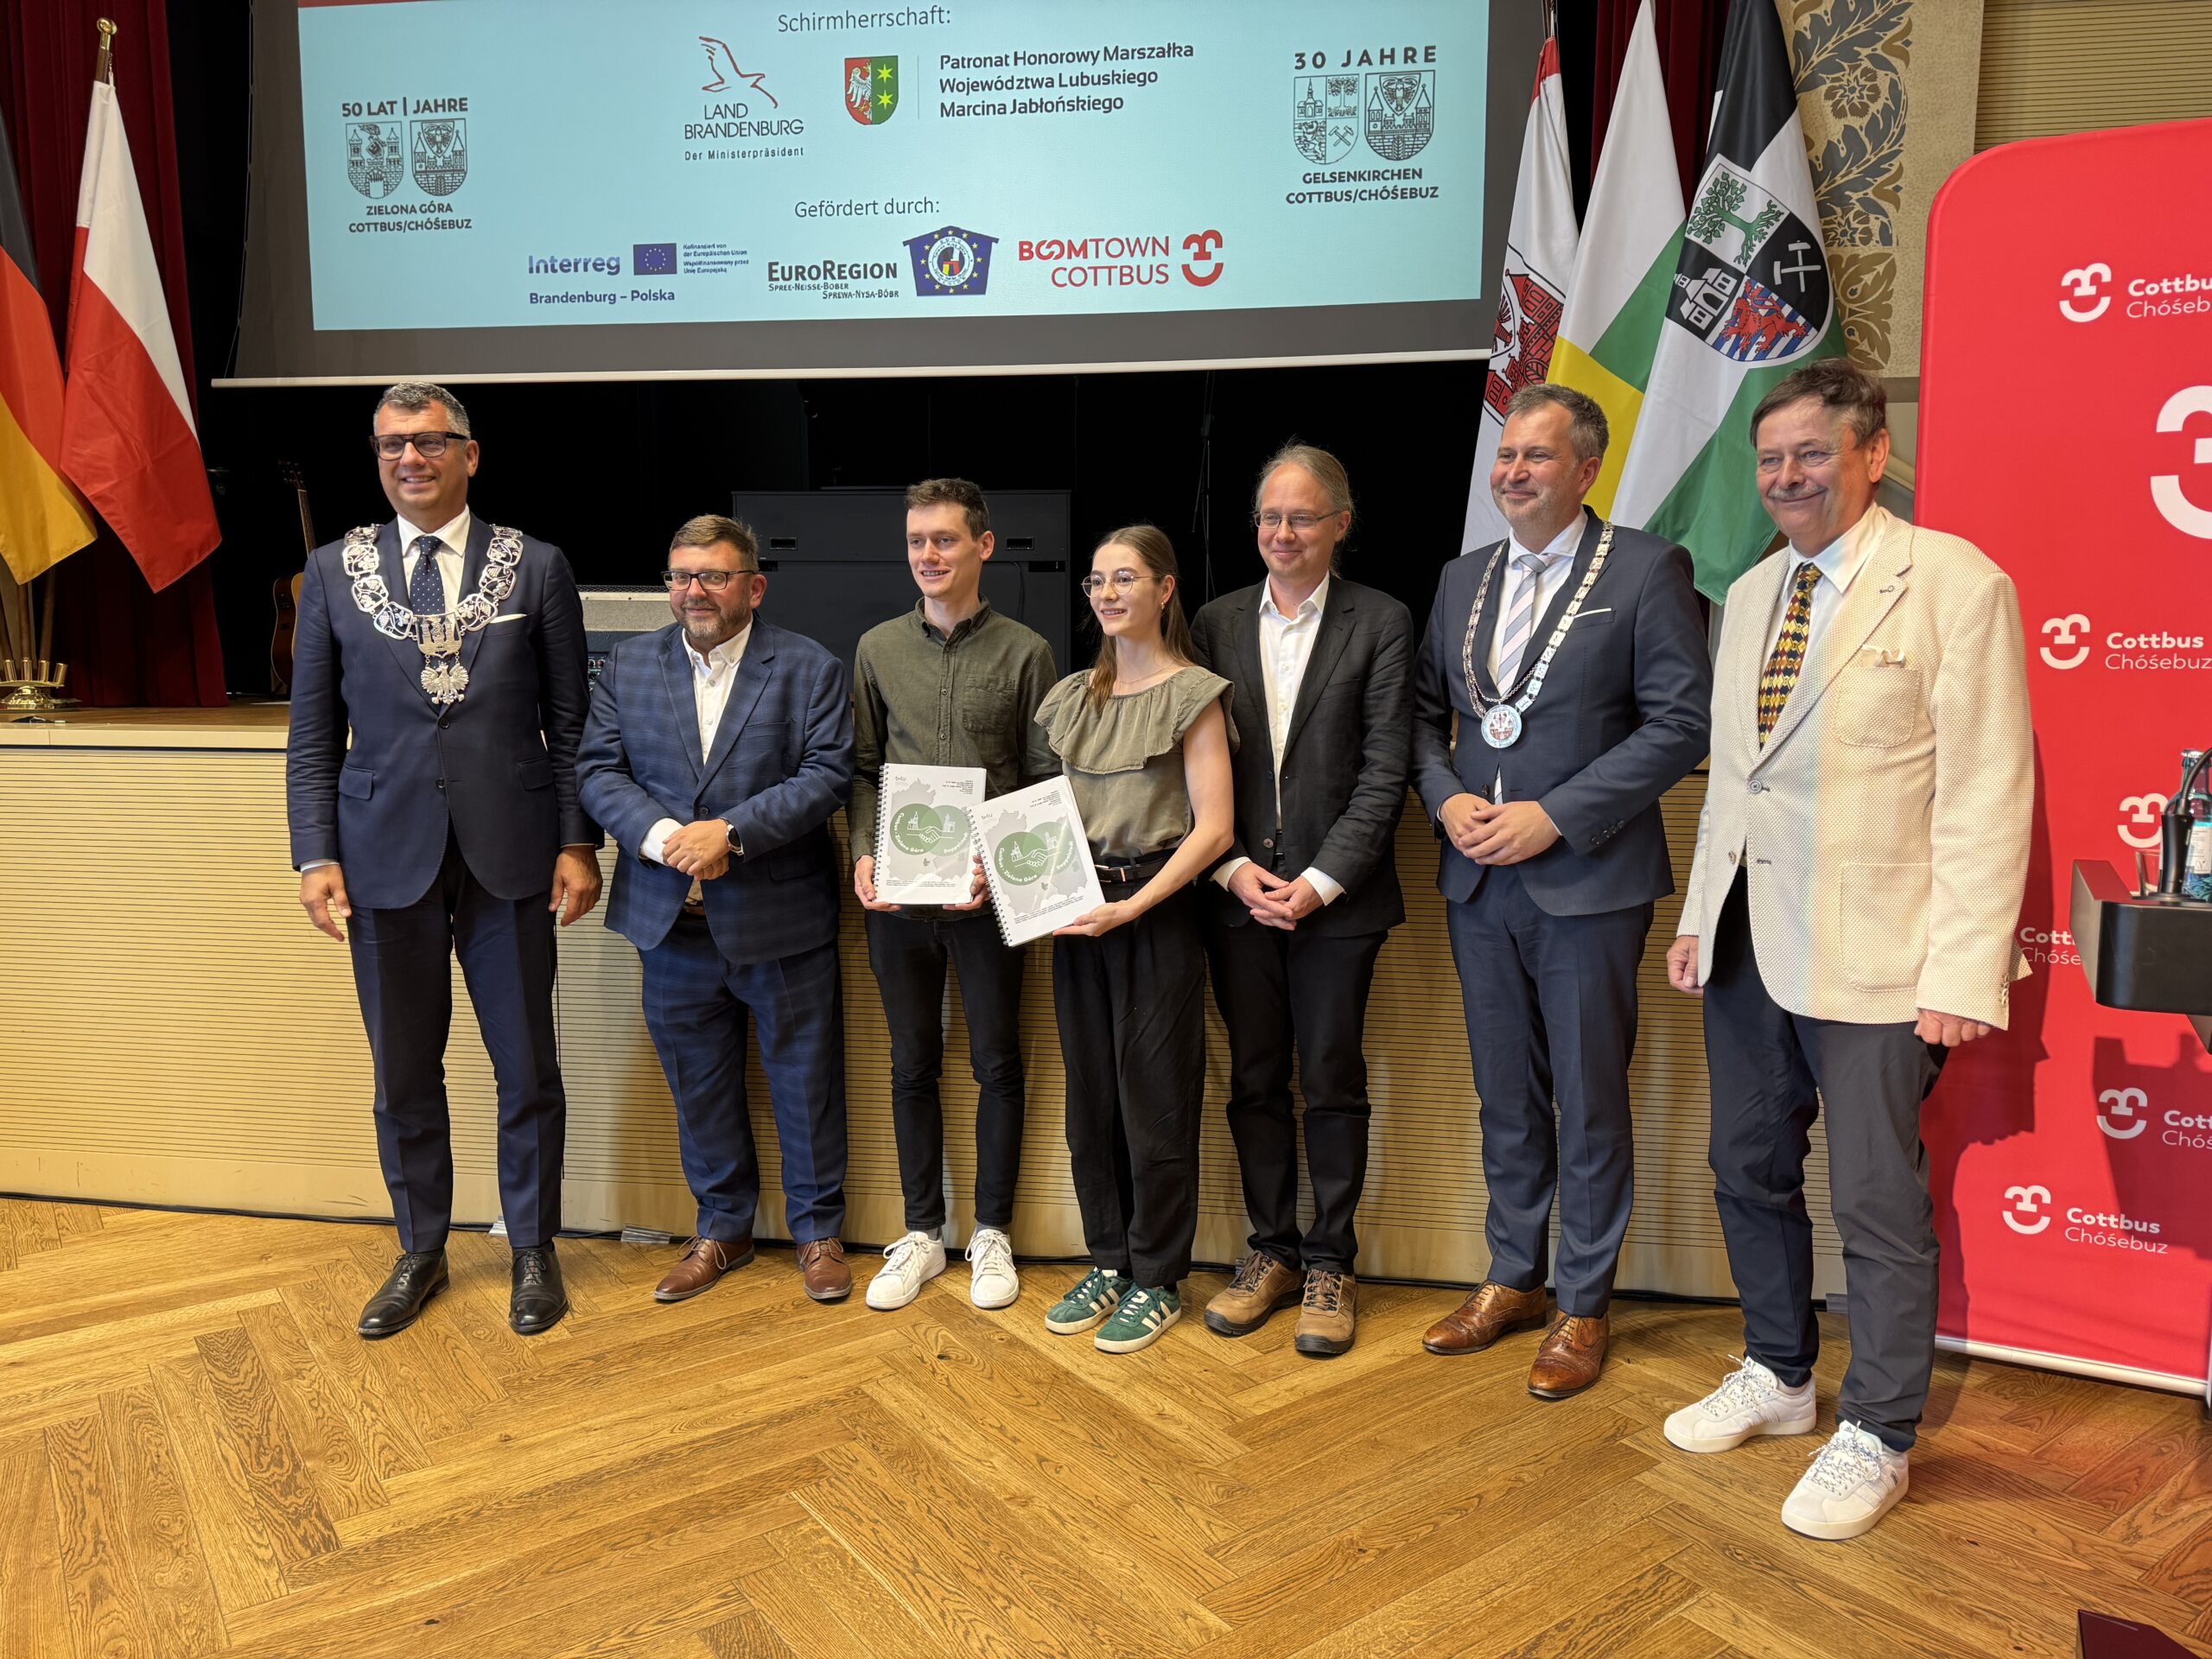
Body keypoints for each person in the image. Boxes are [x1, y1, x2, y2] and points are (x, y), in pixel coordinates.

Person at [1662, 359, 2031, 1541]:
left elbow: (1986, 793)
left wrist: (1962, 973)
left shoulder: (1955, 584)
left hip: (1882, 953)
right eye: (1770, 460)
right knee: (1745, 1167)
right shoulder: (1750, 592)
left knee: (1874, 1200)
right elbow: (1736, 781)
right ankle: (1779, 1374)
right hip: (1748, 943)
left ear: (1872, 454)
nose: (1787, 477)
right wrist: (1697, 915)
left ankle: (1878, 1429)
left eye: (1810, 454)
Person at [1411, 383, 1711, 1397]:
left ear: (1587, 469)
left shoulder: (1646, 569)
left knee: (1585, 1102)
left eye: (1536, 456)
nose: (1513, 472)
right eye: (1506, 455)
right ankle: (1513, 1277)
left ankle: (1583, 1301)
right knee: (1504, 1095)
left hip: (1587, 880)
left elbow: (1679, 723)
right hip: (1477, 881)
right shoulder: (1461, 578)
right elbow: (1424, 718)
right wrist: (1446, 798)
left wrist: (1558, 815)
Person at [286, 380, 601, 1340]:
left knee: (527, 1067)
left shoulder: (535, 567)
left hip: (513, 854)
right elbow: (312, 736)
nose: (409, 459)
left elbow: (571, 725)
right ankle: (420, 1249)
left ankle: (533, 1248)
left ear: (470, 453)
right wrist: (313, 854)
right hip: (381, 858)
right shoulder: (331, 572)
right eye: (391, 445)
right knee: (404, 1074)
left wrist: (578, 840)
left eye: (428, 441)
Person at [575, 515, 858, 1306]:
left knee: (806, 1083)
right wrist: (665, 839)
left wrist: (730, 833)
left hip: (780, 921)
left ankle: (818, 1233)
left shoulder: (808, 667)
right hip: (671, 925)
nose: (693, 591)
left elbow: (827, 775)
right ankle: (723, 1228)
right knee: (697, 1087)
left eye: (713, 576)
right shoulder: (629, 665)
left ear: (754, 587)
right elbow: (597, 771)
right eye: (680, 576)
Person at [1190, 444, 1413, 1358]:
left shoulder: (1382, 621)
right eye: (1269, 517)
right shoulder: (1212, 623)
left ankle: (1331, 1262)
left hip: (1338, 905)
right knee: (1252, 1081)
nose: (1282, 533)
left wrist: (1318, 884)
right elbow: (1189, 763)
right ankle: (1271, 1252)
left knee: (1330, 1081)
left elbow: (1386, 770)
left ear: (1340, 525)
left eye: (1302, 517)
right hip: (1237, 895)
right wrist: (1232, 868)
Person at [849, 478, 1058, 1313]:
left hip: (986, 899)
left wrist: (996, 868)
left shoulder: (1028, 652)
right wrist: (863, 852)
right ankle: (922, 1233)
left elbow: (1042, 782)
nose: (928, 555)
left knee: (997, 1062)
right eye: (917, 541)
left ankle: (992, 1233)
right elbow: (863, 769)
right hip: (898, 902)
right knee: (911, 1063)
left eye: (944, 539)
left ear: (984, 545)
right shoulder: (875, 648)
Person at [1036, 525, 1235, 1355]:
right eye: (1096, 581)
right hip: (1077, 911)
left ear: (1164, 589)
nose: (1108, 594)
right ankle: (1108, 1260)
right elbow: (1043, 816)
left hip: (1156, 910)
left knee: (1155, 1103)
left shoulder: (1195, 693)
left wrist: (1135, 906)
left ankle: (1158, 1277)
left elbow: (1214, 830)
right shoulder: (1071, 696)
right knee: (1091, 1105)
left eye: (1125, 578)